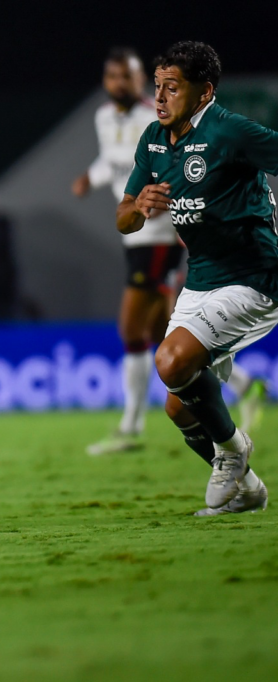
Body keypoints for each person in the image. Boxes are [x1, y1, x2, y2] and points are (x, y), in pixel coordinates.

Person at [75, 48, 267, 456]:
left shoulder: (201, 125)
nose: (158, 95)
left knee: (138, 334)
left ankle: (133, 424)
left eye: (126, 76)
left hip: (176, 246)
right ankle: (244, 394)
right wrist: (119, 196)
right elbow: (117, 187)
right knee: (175, 369)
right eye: (111, 77)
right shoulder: (116, 122)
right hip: (153, 246)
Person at [118, 41, 277, 516]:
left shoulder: (230, 132)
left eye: (173, 87)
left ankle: (232, 451)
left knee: (170, 361)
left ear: (204, 92)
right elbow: (123, 217)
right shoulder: (152, 139)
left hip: (252, 276)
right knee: (179, 407)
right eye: (157, 87)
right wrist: (138, 208)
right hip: (202, 278)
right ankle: (247, 490)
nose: (161, 97)